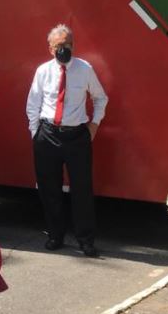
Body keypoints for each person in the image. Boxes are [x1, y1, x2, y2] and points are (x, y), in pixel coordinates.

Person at [25, 23, 108, 258]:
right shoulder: (43, 71)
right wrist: (36, 133)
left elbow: (101, 98)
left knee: (82, 189)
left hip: (76, 136)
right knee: (49, 188)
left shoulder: (85, 69)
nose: (64, 49)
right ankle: (55, 235)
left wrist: (94, 125)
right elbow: (33, 103)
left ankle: (85, 239)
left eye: (68, 44)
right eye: (59, 45)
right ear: (50, 48)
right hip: (48, 134)